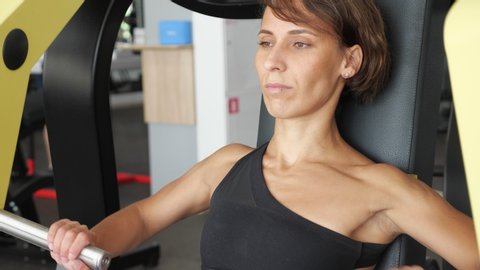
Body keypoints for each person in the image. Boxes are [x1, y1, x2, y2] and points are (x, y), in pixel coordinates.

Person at [48, 0, 480, 269]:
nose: (273, 61)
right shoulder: (228, 164)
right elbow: (142, 218)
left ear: (349, 61)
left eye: (300, 43)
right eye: (266, 40)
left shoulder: (380, 189)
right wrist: (89, 241)